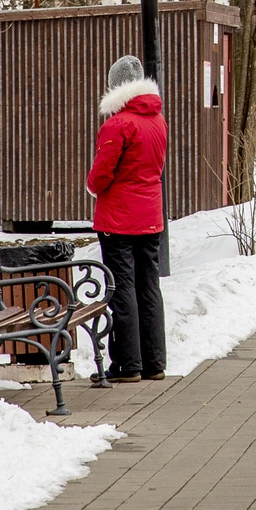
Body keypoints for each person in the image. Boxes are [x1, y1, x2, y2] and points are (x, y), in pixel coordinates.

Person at [87, 56, 168, 381]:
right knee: (149, 287)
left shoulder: (117, 124)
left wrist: (92, 187)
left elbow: (101, 176)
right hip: (150, 216)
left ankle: (127, 364)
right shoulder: (158, 120)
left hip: (118, 220)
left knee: (122, 288)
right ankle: (154, 363)